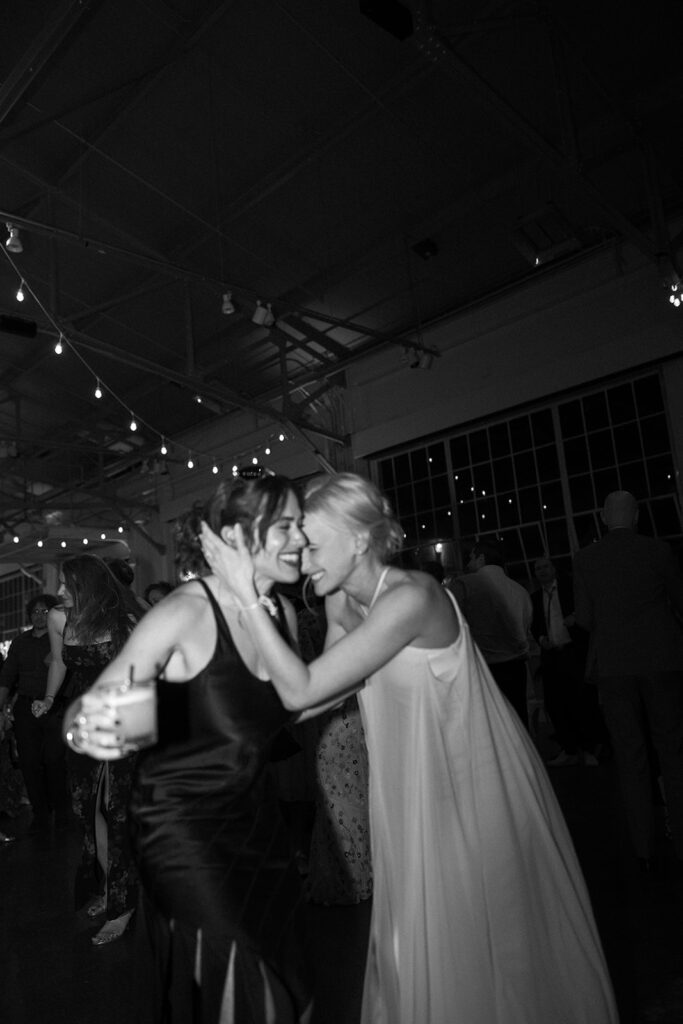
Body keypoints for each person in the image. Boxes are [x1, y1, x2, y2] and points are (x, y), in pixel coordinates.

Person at [200, 472, 617, 1024]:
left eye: (313, 546)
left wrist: (249, 598)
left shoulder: (413, 597)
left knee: (484, 928)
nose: (302, 561)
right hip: (407, 785)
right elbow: (304, 702)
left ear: (357, 539)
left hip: (466, 783)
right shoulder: (345, 603)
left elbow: (300, 690)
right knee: (425, 926)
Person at [63, 473, 312, 1024]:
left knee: (285, 982)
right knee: (238, 989)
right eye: (287, 526)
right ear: (236, 536)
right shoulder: (182, 613)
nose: (302, 539)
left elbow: (290, 706)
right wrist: (164, 714)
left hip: (260, 831)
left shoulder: (281, 616)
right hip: (186, 833)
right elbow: (90, 720)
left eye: (304, 525)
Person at [32, 555, 143, 945]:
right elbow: (60, 664)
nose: (59, 592)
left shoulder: (123, 622)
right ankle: (109, 887)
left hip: (120, 719)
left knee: (114, 810)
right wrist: (48, 698)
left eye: (66, 584)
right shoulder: (62, 620)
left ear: (88, 585)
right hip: (80, 720)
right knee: (85, 809)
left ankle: (123, 903)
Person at [573, 490, 683, 870]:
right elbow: (680, 602)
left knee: (629, 754)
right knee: (672, 748)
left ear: (604, 518)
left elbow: (584, 619)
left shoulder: (586, 559)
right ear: (636, 516)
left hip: (615, 665)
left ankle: (643, 845)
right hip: (662, 659)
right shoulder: (659, 550)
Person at [0, 594, 68, 834]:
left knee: (54, 760)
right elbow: (8, 674)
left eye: (44, 611)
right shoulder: (21, 641)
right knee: (29, 762)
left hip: (55, 706)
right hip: (26, 706)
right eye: (35, 612)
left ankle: (62, 813)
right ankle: (40, 814)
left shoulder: (59, 638)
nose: (39, 616)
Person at [449, 538, 533, 729]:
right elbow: (526, 627)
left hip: (482, 668)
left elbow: (452, 625)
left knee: (487, 727)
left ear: (481, 558)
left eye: (471, 557)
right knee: (517, 722)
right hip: (516, 668)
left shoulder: (464, 584)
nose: (468, 563)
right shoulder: (520, 591)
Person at [530, 557, 597, 767]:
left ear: (554, 569)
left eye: (545, 567)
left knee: (581, 700)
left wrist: (575, 619)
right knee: (556, 704)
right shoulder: (535, 597)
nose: (542, 571)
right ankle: (568, 748)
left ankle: (588, 748)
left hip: (572, 652)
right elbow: (535, 624)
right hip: (552, 656)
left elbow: (588, 610)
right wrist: (541, 639)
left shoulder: (570, 590)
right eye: (538, 569)